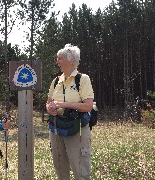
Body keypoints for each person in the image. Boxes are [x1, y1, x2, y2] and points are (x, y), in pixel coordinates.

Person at [46, 44, 94, 180]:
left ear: (71, 60)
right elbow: (48, 102)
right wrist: (49, 108)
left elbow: (88, 106)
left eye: (60, 58)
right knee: (60, 166)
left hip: (76, 128)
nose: (57, 62)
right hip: (56, 127)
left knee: (80, 168)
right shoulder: (56, 81)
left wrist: (62, 104)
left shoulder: (83, 79)